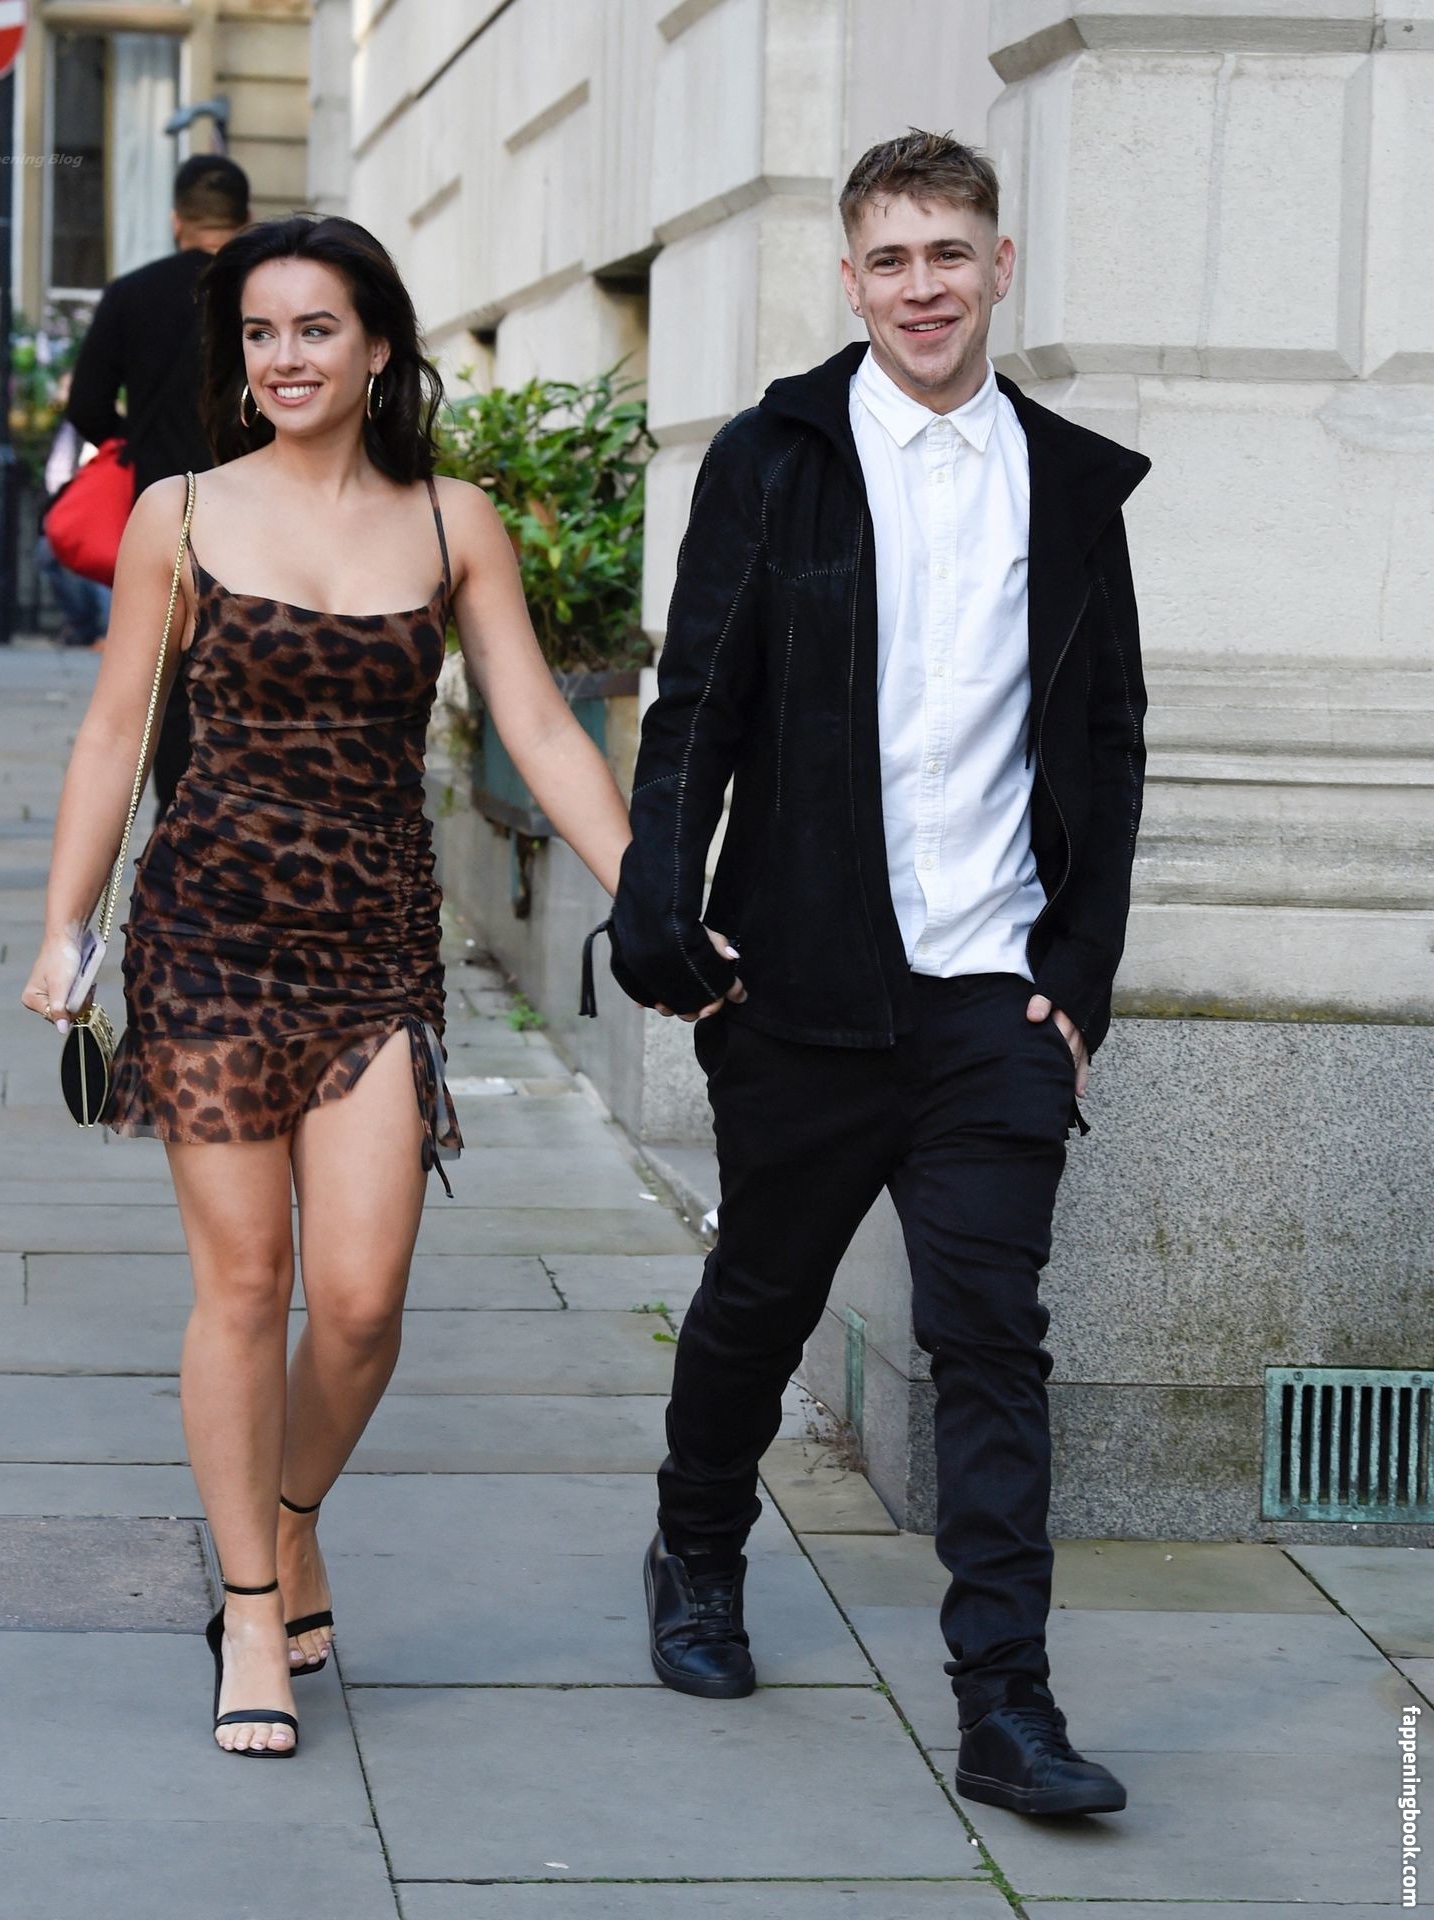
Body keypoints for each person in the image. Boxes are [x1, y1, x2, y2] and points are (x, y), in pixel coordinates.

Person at [21, 213, 632, 1757]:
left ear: (377, 350)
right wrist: (64, 925)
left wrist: (652, 889)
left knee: (358, 1304)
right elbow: (112, 731)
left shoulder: (450, 522)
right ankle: (247, 1608)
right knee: (243, 1286)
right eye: (260, 334)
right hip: (207, 937)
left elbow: (538, 725)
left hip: (375, 953)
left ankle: (291, 1518)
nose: (284, 358)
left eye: (314, 330)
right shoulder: (179, 513)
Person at [594, 130, 1151, 1819]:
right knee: (760, 1300)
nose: (922, 287)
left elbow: (1109, 738)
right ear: (850, 280)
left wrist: (1077, 976)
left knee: (990, 1340)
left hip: (991, 997)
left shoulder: (1068, 484)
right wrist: (658, 913)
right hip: (800, 987)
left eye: (948, 253)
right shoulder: (775, 457)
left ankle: (1007, 1708)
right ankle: (698, 1546)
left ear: (998, 268)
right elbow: (696, 699)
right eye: (891, 259)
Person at [65, 155, 250, 819]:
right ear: (246, 221)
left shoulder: (132, 293)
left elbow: (86, 405)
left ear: (177, 220)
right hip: (258, 501)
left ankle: (182, 813)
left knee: (164, 675)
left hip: (165, 505)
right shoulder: (261, 291)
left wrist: (136, 438)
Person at [36, 376, 112, 647]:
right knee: (49, 556)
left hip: (88, 510)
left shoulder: (97, 425)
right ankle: (83, 627)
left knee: (97, 567)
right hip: (63, 507)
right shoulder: (64, 425)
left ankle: (103, 631)